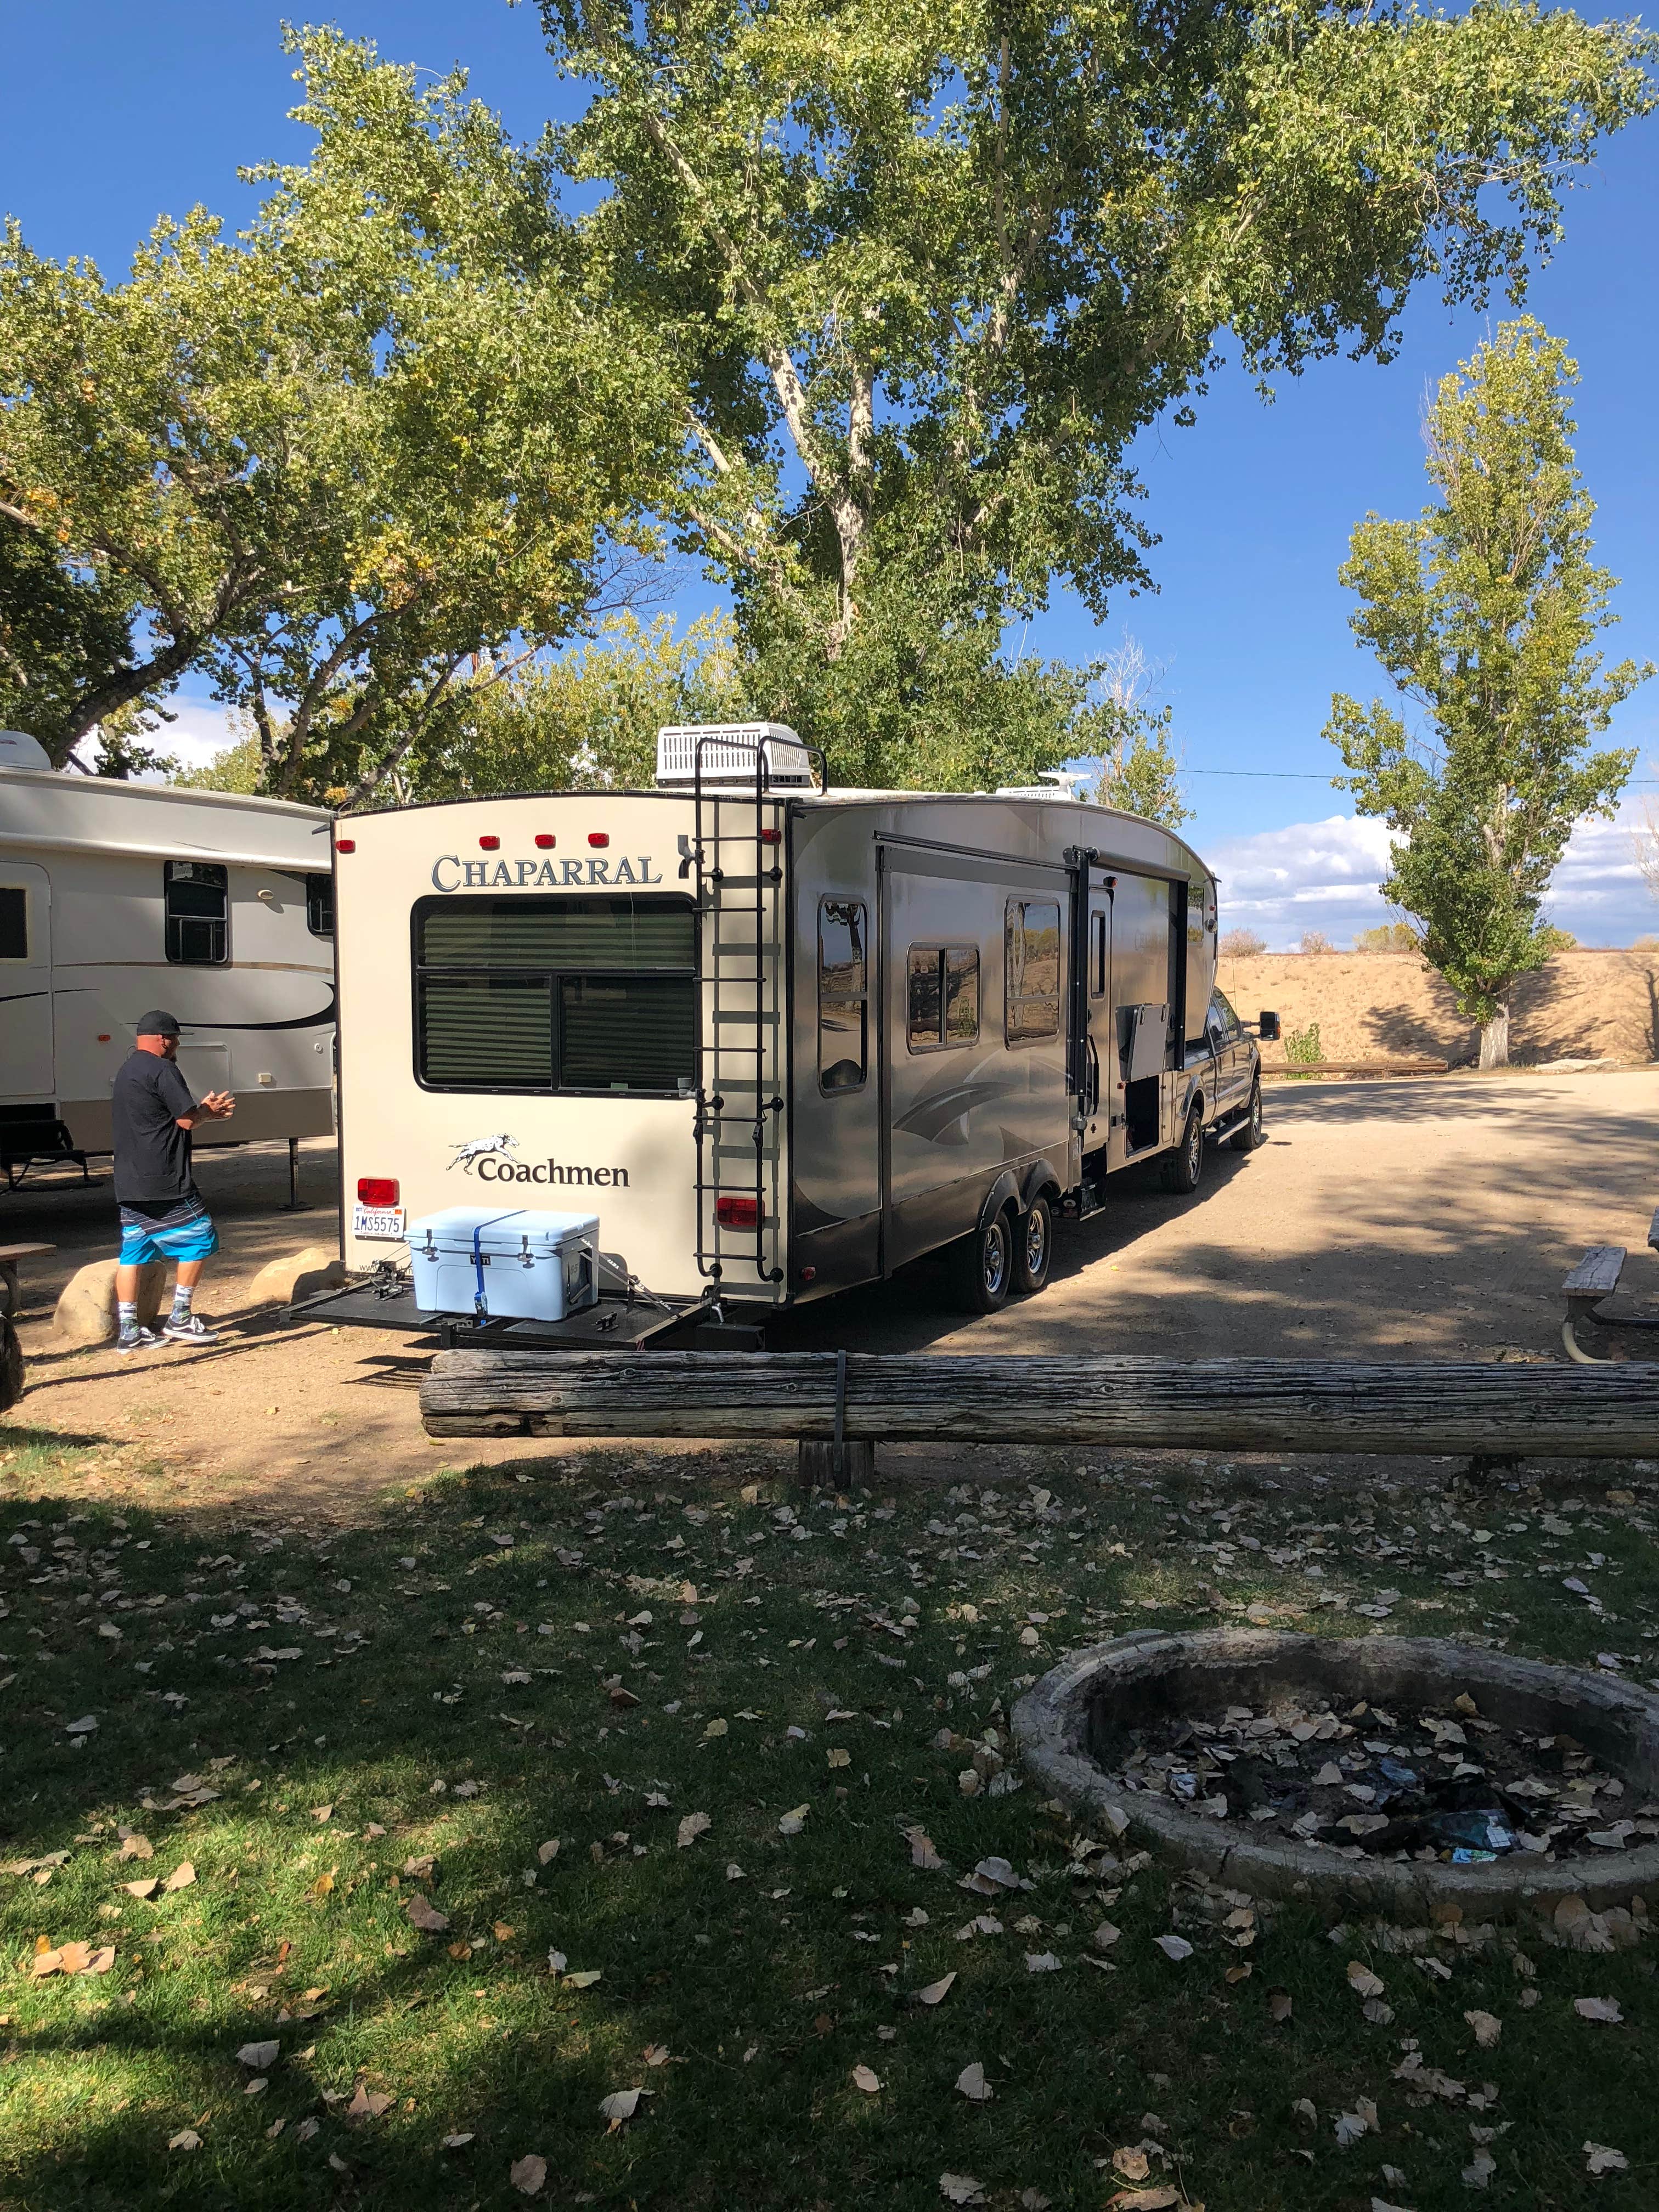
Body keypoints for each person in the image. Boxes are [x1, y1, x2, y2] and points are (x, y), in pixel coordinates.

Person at [110, 1012, 235, 1353]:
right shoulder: (163, 1070)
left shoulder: (126, 1071)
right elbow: (186, 1120)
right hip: (164, 1179)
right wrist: (208, 1111)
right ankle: (180, 1317)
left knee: (132, 1255)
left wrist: (200, 1112)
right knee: (201, 1237)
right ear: (163, 1039)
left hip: (129, 1181)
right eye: (176, 1039)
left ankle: (129, 1330)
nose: (178, 1045)